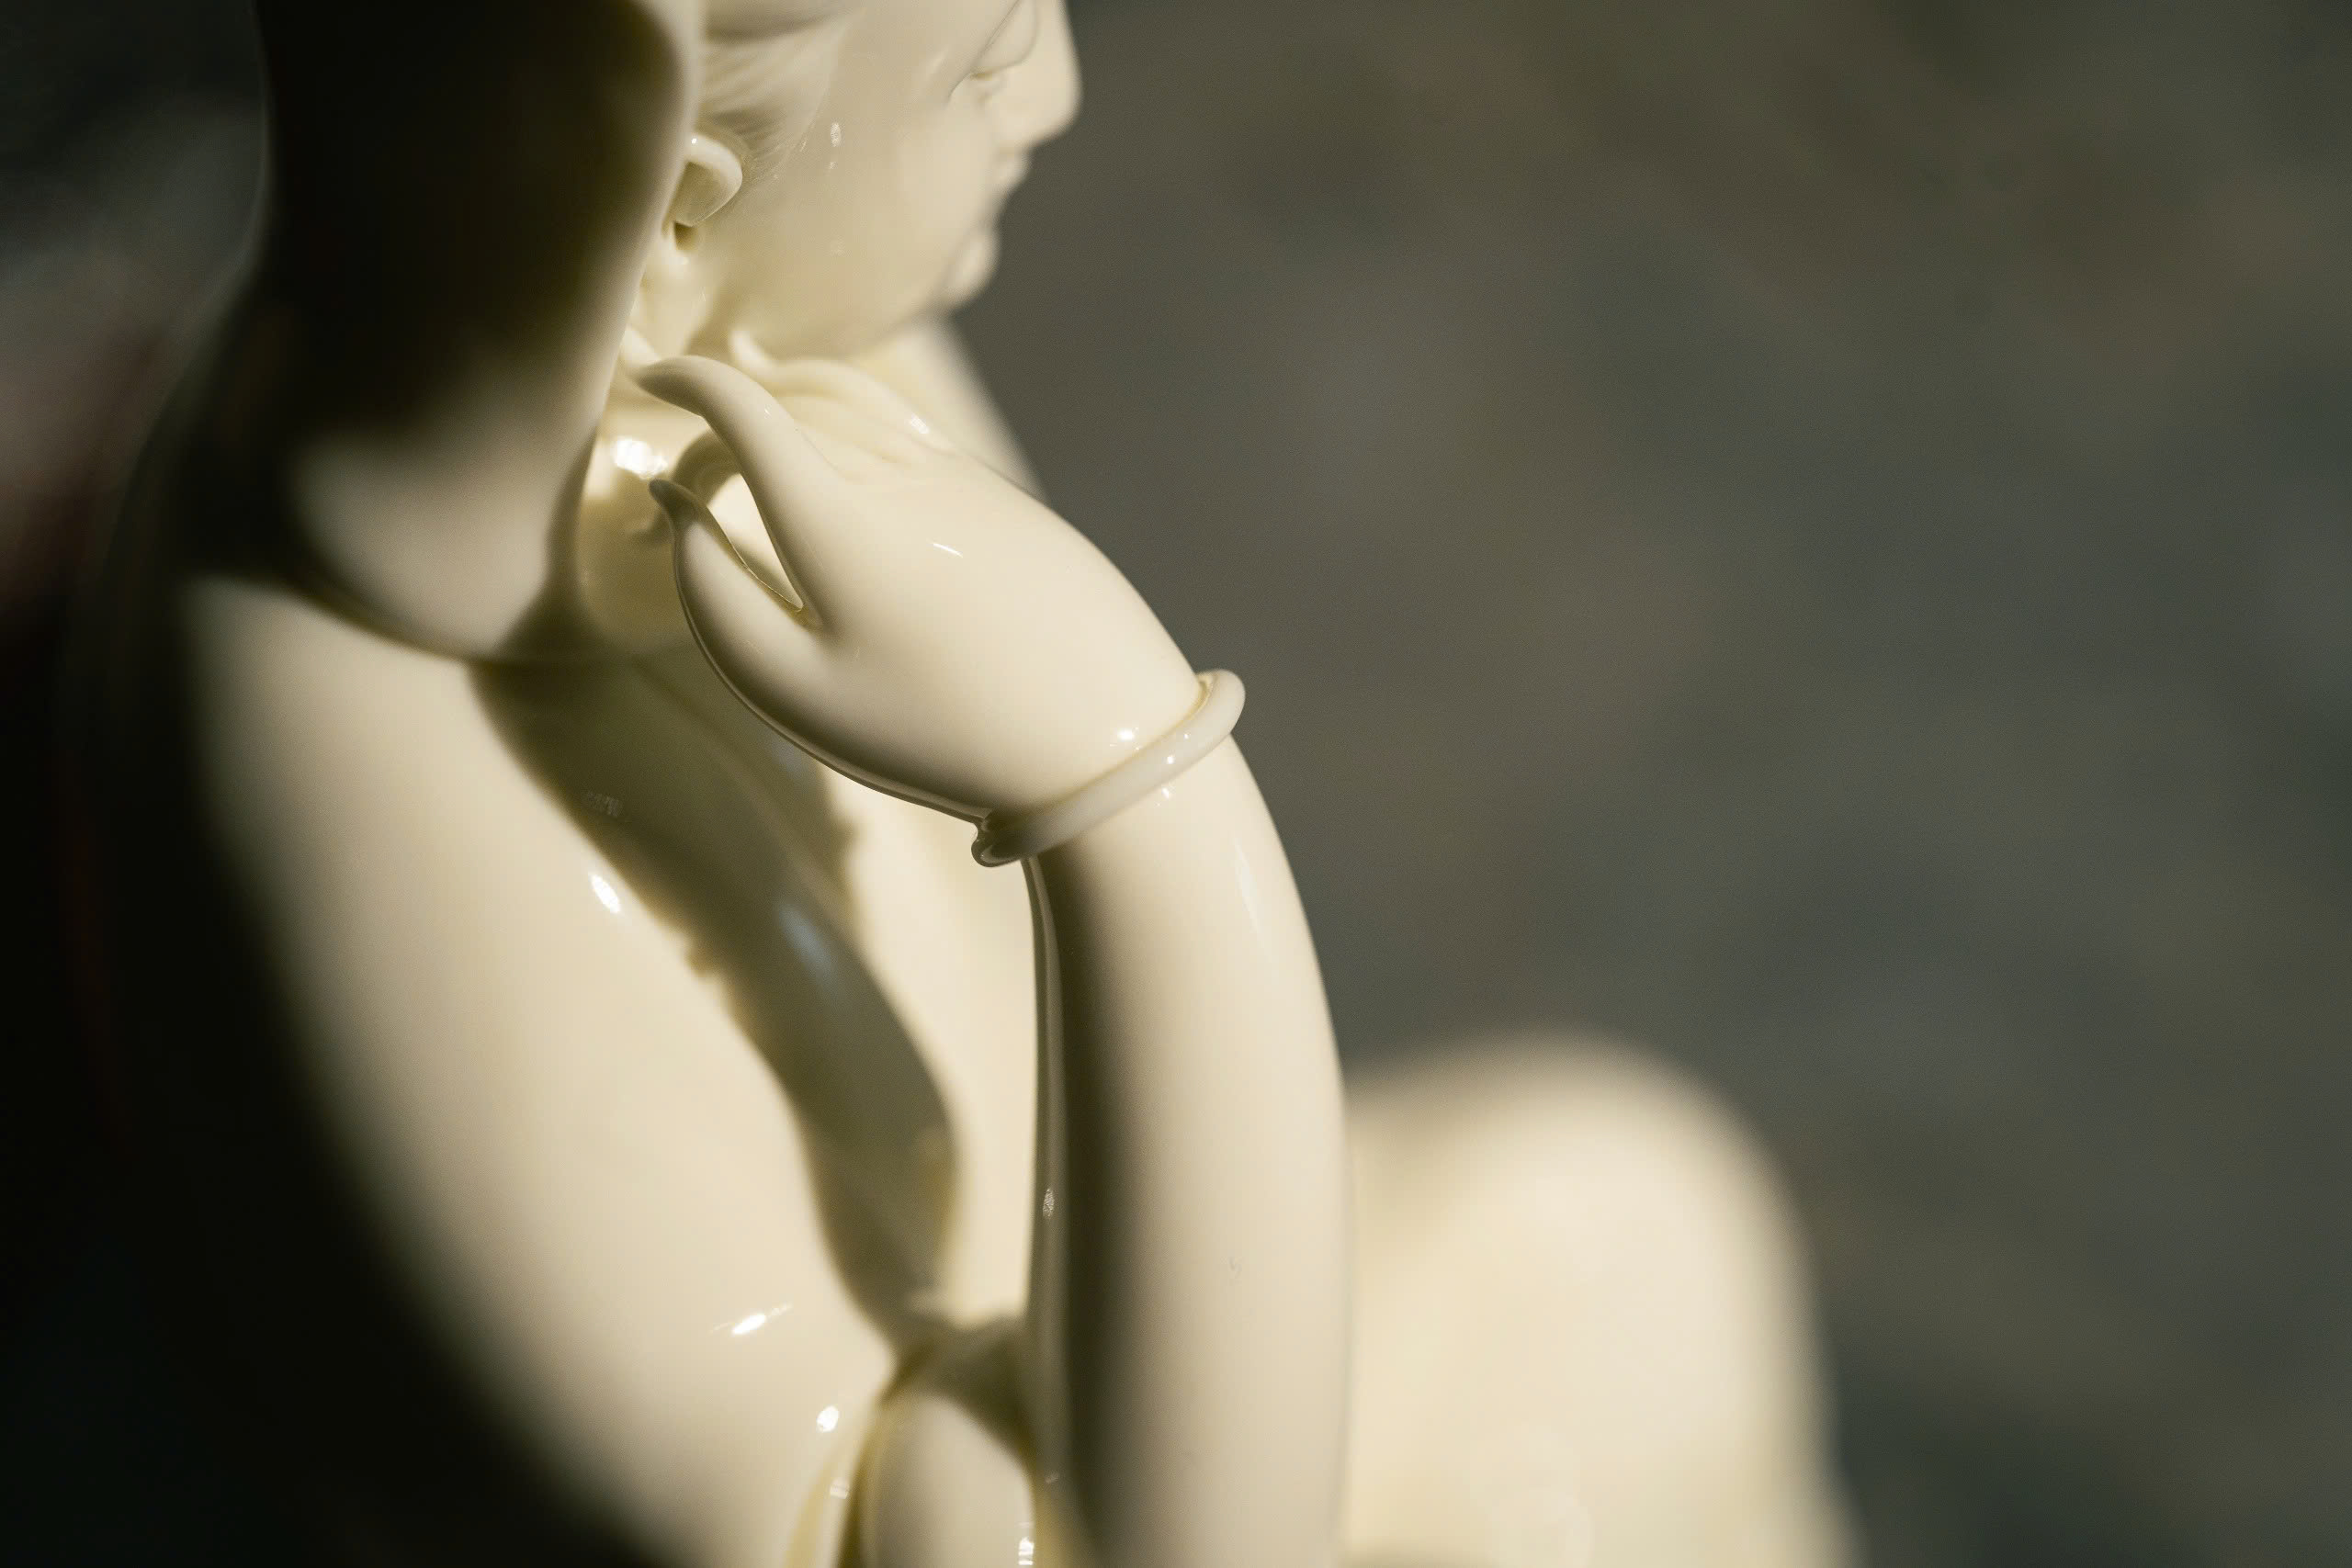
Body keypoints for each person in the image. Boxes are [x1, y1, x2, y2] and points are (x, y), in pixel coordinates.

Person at [72, 2, 1850, 1563]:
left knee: (1618, 1227)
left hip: (1066, 1313)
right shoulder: (378, 818)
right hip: (1088, 1486)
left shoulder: (748, 351)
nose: (1056, 96)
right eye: (988, 61)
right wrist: (1126, 787)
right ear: (662, 200)